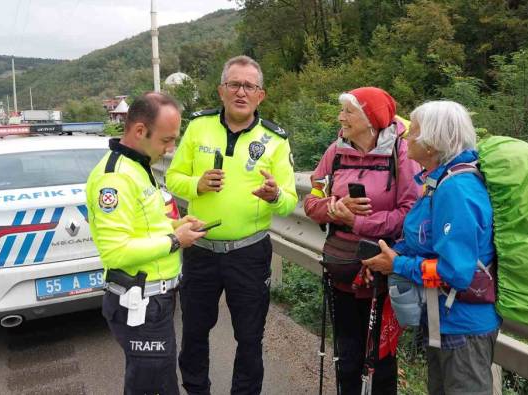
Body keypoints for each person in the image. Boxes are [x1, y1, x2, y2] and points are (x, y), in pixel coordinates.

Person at [166, 55, 298, 395]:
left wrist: (273, 196)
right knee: (195, 331)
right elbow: (172, 178)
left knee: (250, 336)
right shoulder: (198, 126)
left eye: (249, 86)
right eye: (234, 84)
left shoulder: (275, 139)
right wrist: (196, 184)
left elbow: (288, 201)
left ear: (261, 95)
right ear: (221, 90)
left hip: (249, 253)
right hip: (201, 250)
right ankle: (196, 390)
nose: (241, 92)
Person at [362, 100, 501, 395]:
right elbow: (428, 243)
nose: (406, 136)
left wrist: (397, 265)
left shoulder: (456, 189)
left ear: (433, 142)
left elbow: (456, 273)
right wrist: (395, 255)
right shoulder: (439, 181)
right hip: (445, 322)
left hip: (464, 327)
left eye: (413, 131)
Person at [86, 92, 206, 395]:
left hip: (155, 302)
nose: (171, 148)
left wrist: (177, 225)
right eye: (166, 140)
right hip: (139, 303)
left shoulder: (139, 166)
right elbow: (116, 251)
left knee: (159, 381)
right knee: (151, 386)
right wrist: (174, 241)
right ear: (140, 131)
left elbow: (145, 226)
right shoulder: (114, 179)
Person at [304, 87, 420, 394]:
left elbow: (410, 214)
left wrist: (358, 221)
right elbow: (312, 201)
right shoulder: (336, 151)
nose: (340, 117)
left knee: (380, 358)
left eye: (348, 112)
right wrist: (333, 209)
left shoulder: (402, 152)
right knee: (347, 354)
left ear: (371, 118)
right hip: (342, 267)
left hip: (381, 268)